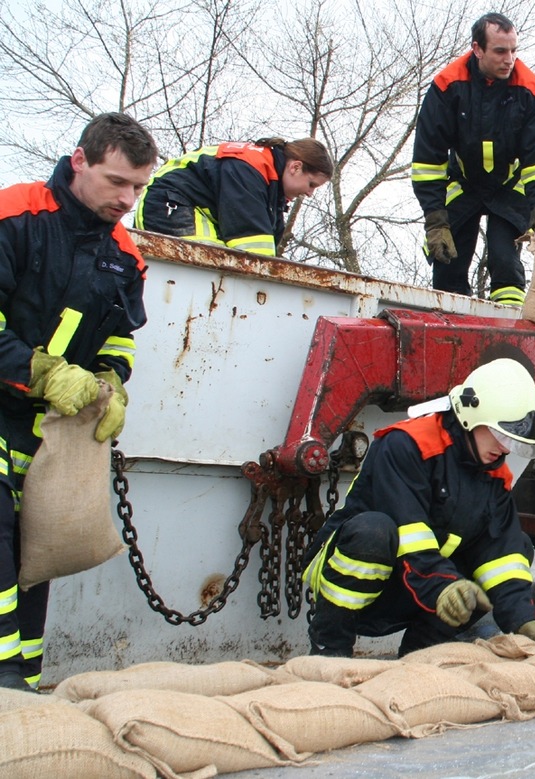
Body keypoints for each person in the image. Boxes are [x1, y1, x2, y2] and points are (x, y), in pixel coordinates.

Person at [0, 113, 158, 691]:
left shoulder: (124, 256)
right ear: (79, 162)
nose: (129, 199)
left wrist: (111, 383)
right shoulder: (15, 215)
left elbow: (120, 339)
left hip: (47, 428)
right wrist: (40, 372)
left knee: (35, 550)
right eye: (117, 182)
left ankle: (24, 683)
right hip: (8, 402)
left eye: (138, 187)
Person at [303, 357, 535, 657]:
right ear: (470, 416)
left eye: (511, 441)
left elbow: (501, 553)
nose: (504, 448)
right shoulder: (405, 446)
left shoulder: (493, 476)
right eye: (500, 435)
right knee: (374, 532)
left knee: (518, 549)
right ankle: (329, 650)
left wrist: (525, 621)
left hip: (417, 588)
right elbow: (409, 534)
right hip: (364, 587)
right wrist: (445, 588)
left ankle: (421, 655)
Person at [411, 12, 535, 306]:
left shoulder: (529, 89)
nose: (510, 59)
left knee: (506, 262)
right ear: (477, 49)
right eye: (500, 51)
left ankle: (508, 328)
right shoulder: (446, 86)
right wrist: (435, 221)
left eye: (514, 50)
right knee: (447, 261)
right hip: (463, 183)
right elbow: (428, 161)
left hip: (509, 186)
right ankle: (451, 328)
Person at [135, 137, 332, 256]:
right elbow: (253, 250)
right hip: (170, 203)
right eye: (311, 184)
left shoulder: (267, 182)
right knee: (210, 262)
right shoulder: (250, 170)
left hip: (184, 205)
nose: (309, 193)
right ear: (295, 167)